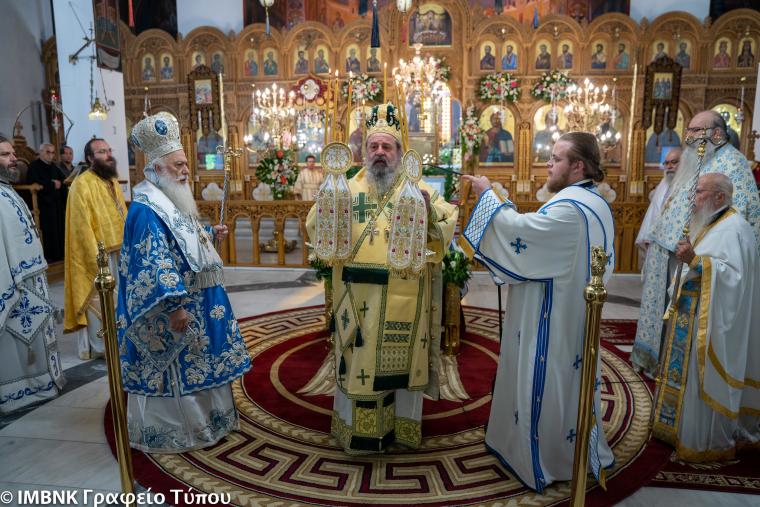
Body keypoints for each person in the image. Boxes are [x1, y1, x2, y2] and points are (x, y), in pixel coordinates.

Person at [461, 132, 615, 492]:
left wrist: (487, 197)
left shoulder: (570, 209)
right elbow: (537, 238)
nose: (548, 162)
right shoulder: (593, 202)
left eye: (557, 158)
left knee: (549, 381)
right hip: (571, 314)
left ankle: (546, 453)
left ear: (578, 166)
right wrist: (502, 201)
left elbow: (522, 232)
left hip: (553, 318)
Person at [305, 103, 458, 454]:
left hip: (405, 295)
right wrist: (329, 205)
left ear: (400, 154)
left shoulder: (415, 188)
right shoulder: (346, 185)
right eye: (373, 146)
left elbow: (447, 221)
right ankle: (358, 434)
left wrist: (428, 209)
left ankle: (402, 431)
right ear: (362, 151)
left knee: (400, 366)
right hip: (357, 298)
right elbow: (315, 225)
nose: (379, 153)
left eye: (387, 147)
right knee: (358, 364)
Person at [118, 112, 251, 452]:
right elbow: (153, 262)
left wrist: (207, 234)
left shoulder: (169, 196)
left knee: (202, 362)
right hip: (174, 308)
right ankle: (181, 431)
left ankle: (211, 422)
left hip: (196, 300)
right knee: (180, 368)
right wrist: (175, 305)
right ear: (156, 169)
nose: (185, 171)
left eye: (185, 164)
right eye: (177, 165)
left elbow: (181, 238)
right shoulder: (146, 208)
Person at [632, 110, 760, 376]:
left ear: (716, 134)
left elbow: (742, 218)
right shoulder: (698, 160)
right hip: (673, 253)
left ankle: (685, 376)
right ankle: (661, 365)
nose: (687, 137)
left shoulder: (733, 164)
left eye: (694, 131)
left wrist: (698, 255)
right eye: (687, 131)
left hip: (699, 260)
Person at [651, 173, 760, 461]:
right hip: (694, 313)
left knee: (702, 379)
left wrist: (695, 260)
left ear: (719, 197)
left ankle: (706, 442)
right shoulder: (713, 222)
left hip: (713, 321)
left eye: (699, 192)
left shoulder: (735, 228)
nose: (693, 198)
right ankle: (679, 430)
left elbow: (735, 279)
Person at [0, 137, 64, 414]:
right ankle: (18, 390)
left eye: (12, 153)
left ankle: (41, 382)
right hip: (14, 286)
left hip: (30, 281)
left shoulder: (7, 190)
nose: (14, 158)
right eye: (5, 155)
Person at [63, 138, 127, 360]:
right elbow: (80, 227)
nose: (108, 155)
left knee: (120, 299)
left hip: (118, 251)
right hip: (98, 255)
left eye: (109, 150)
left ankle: (120, 341)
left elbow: (120, 216)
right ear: (90, 158)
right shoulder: (81, 185)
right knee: (99, 300)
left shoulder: (112, 181)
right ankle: (100, 346)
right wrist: (94, 259)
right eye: (102, 152)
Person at [636, 148, 681, 269]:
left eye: (674, 162)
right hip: (655, 243)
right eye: (666, 163)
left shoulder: (687, 184)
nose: (669, 166)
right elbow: (653, 212)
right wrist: (647, 235)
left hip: (674, 247)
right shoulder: (663, 184)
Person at [27, 143, 65, 262]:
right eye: (48, 152)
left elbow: (63, 180)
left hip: (56, 202)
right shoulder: (34, 166)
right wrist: (52, 183)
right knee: (50, 227)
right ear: (40, 152)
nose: (51, 155)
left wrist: (60, 183)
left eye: (53, 152)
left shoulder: (54, 167)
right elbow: (33, 182)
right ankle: (51, 256)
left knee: (60, 224)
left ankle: (61, 254)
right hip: (43, 203)